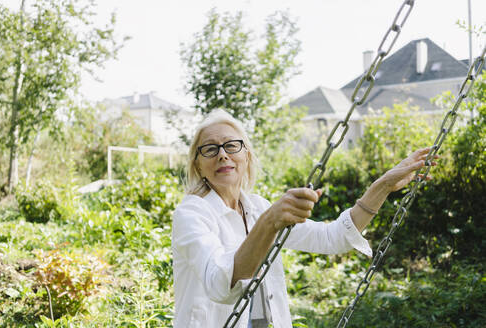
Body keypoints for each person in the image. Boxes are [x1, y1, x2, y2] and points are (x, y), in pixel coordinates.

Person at [172, 109, 437, 328]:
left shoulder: (256, 207)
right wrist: (270, 221)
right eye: (210, 149)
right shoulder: (192, 215)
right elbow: (220, 284)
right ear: (197, 164)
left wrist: (383, 186)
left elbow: (332, 238)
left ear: (246, 154)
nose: (222, 154)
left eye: (231, 145)